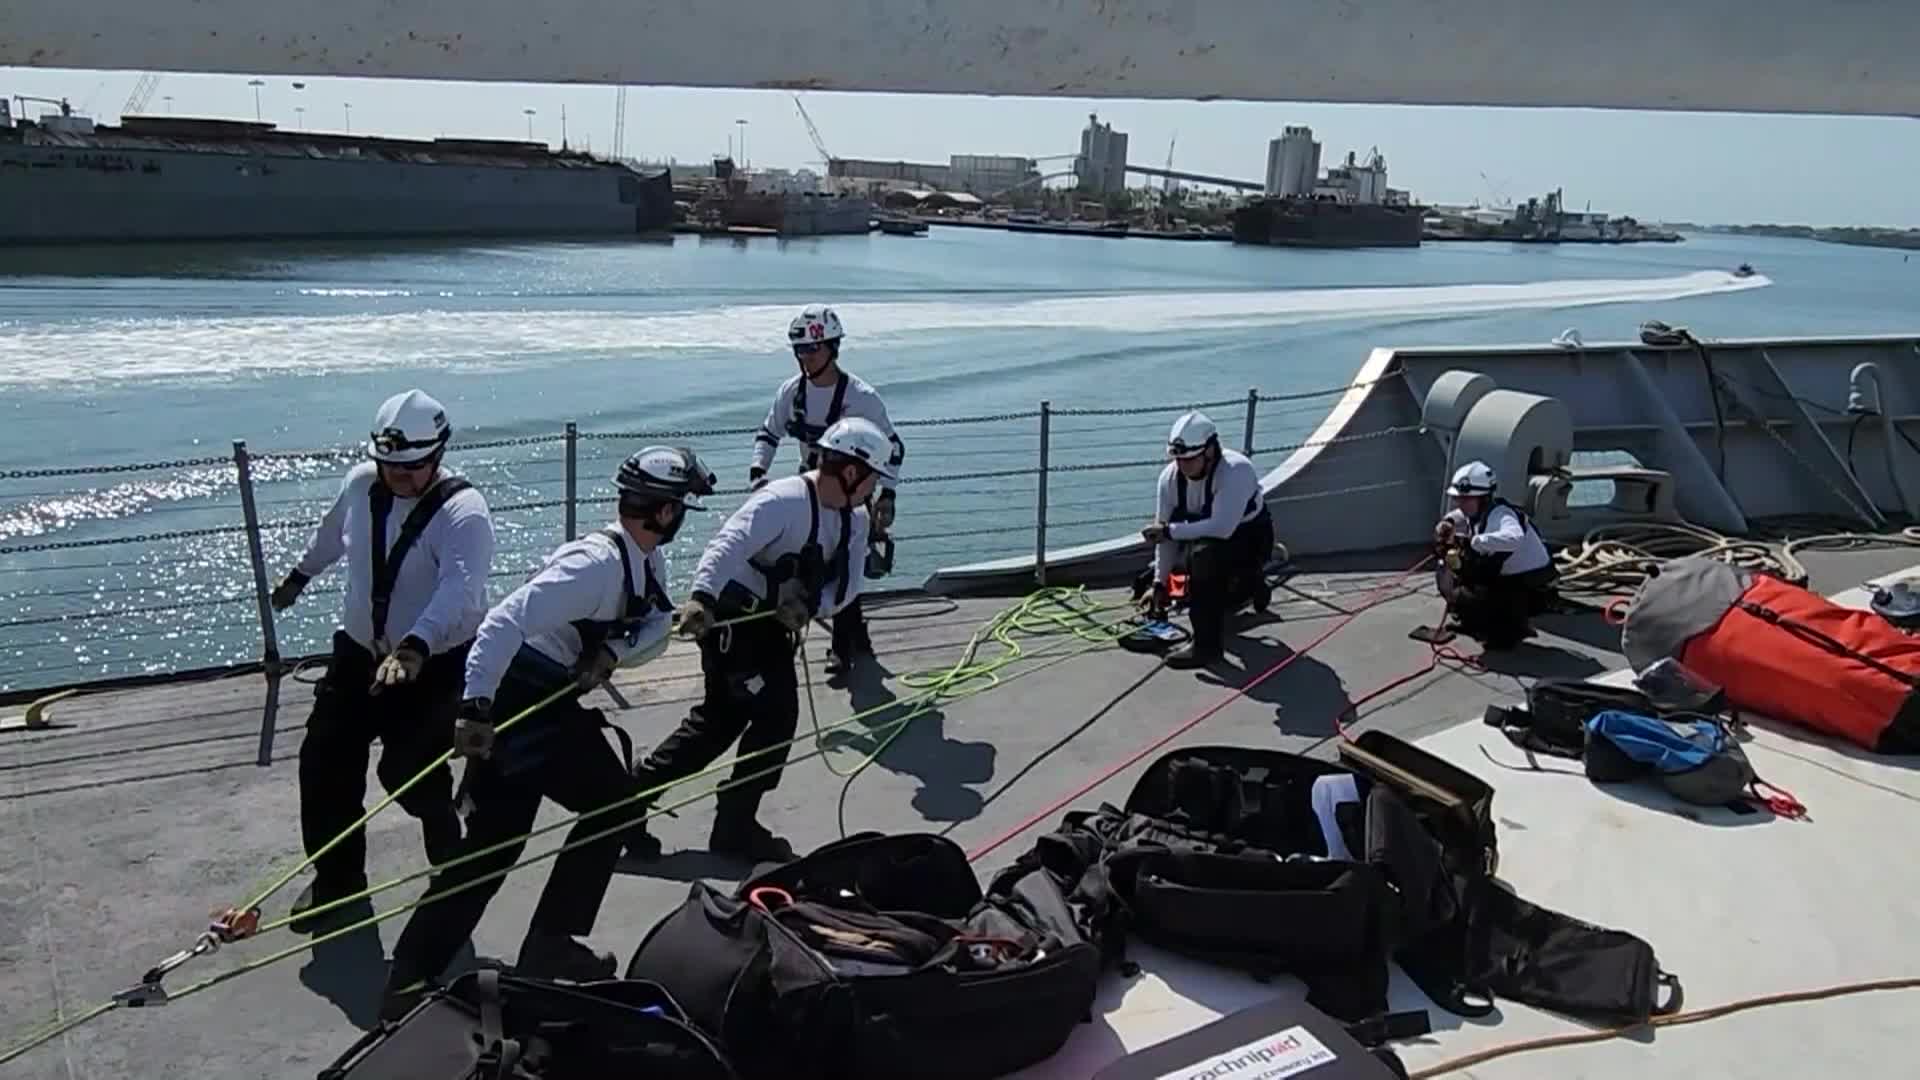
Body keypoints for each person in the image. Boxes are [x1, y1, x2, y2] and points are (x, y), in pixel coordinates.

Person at [382, 446, 714, 1008]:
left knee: (567, 820)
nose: (681, 515)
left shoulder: (641, 559)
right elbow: (503, 622)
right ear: (662, 512)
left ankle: (524, 949)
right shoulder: (596, 566)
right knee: (526, 835)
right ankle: (433, 973)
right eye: (680, 506)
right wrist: (477, 707)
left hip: (549, 691)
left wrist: (609, 650)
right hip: (521, 693)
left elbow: (654, 619)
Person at [271, 389, 494, 934]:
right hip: (359, 653)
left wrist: (415, 646)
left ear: (438, 455)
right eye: (390, 464)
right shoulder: (361, 485)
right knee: (323, 762)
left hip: (435, 662)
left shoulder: (464, 512)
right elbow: (334, 534)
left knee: (404, 770)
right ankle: (338, 880)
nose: (401, 476)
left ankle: (439, 815)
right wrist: (300, 576)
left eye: (414, 466)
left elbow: (460, 593)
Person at [632, 417, 890, 863]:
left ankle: (638, 801)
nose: (874, 489)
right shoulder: (784, 500)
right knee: (766, 717)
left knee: (721, 722)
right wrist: (700, 598)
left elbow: (847, 588)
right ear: (852, 473)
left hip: (772, 629)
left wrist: (812, 607)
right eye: (872, 478)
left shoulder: (856, 520)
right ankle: (728, 823)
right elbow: (727, 544)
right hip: (734, 625)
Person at [750, 304, 905, 676]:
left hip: (853, 494)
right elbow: (768, 433)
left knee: (844, 567)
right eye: (799, 350)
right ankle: (855, 640)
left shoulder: (862, 398)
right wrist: (758, 474)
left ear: (833, 348)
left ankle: (842, 649)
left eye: (812, 349)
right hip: (810, 490)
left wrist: (887, 494)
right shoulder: (792, 393)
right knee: (810, 565)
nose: (805, 357)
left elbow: (894, 448)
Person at [1141, 411, 1275, 669]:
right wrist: (1160, 582)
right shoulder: (1169, 480)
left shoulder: (1236, 471)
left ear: (1210, 451)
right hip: (1201, 541)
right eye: (1178, 459)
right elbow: (1164, 537)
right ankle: (1248, 588)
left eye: (1190, 459)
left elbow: (1221, 528)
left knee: (1203, 558)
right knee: (1176, 580)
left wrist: (1169, 531)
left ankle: (1207, 648)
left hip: (1248, 542)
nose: (1182, 466)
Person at [1433, 461, 1558, 648]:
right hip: (1507, 580)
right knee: (1454, 572)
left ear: (1483, 498)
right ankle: (1474, 623)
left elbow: (1514, 537)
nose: (1461, 503)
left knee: (1474, 596)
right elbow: (1460, 515)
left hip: (1529, 584)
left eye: (1466, 499)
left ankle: (1509, 631)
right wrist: (1448, 522)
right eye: (1459, 498)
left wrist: (1472, 542)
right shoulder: (1477, 512)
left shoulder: (1502, 516)